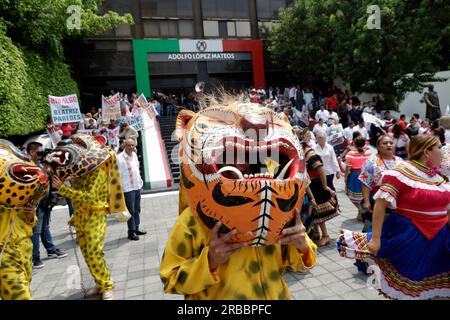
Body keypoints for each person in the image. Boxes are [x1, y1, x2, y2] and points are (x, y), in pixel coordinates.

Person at [339, 135, 450, 299]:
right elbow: (381, 204)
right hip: (412, 236)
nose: (443, 152)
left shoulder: (439, 177)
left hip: (439, 237)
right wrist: (376, 238)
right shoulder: (401, 172)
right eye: (439, 148)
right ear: (427, 152)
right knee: (413, 280)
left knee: (433, 278)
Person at [50, 136, 128, 300]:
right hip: (81, 218)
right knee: (87, 254)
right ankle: (100, 283)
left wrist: (63, 189)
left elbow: (89, 196)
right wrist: (74, 215)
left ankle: (107, 285)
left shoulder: (98, 170)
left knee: (94, 252)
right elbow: (79, 200)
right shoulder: (78, 172)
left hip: (95, 216)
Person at [27, 142, 67, 269]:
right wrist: (44, 169)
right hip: (35, 204)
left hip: (45, 201)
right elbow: (36, 181)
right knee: (36, 231)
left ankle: (50, 249)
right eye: (39, 152)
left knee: (45, 227)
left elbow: (49, 177)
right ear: (31, 152)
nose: (41, 154)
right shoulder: (27, 166)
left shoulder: (40, 163)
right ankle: (35, 257)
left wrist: (50, 166)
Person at [358, 135, 403, 233]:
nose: (389, 145)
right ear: (378, 147)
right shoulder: (371, 162)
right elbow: (365, 183)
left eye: (391, 143)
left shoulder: (400, 162)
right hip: (377, 200)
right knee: (373, 228)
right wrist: (366, 202)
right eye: (385, 143)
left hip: (397, 201)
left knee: (392, 230)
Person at [302, 139, 338, 247]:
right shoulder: (305, 154)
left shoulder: (312, 156)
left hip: (317, 187)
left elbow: (321, 171)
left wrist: (325, 186)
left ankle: (326, 236)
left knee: (318, 212)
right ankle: (316, 233)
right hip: (311, 186)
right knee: (313, 211)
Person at [117, 139, 146, 241]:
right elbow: (117, 175)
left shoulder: (134, 155)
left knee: (137, 209)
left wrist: (140, 183)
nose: (131, 147)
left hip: (137, 186)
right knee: (131, 211)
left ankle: (136, 228)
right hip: (127, 188)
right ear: (124, 146)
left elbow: (137, 169)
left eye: (133, 145)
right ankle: (131, 231)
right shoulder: (119, 158)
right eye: (129, 145)